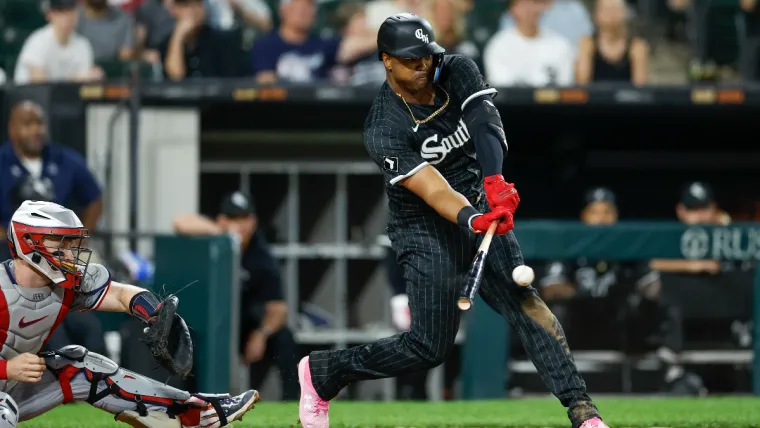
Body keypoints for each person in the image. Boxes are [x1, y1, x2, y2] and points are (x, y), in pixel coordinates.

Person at [295, 13, 608, 428]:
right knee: (429, 347)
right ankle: (323, 372)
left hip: (482, 203)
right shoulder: (383, 127)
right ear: (386, 60)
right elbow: (434, 190)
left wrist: (494, 182)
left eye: (427, 55)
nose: (423, 64)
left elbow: (485, 123)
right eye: (411, 59)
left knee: (527, 305)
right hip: (424, 229)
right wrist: (473, 219)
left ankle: (583, 412)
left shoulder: (456, 68)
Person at [0, 200, 259, 428]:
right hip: (6, 385)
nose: (70, 253)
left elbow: (121, 294)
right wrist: (8, 368)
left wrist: (153, 313)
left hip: (10, 387)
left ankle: (193, 413)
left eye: (72, 243)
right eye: (60, 242)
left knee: (82, 366)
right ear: (28, 242)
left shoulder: (65, 283)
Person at [172, 191, 299, 400]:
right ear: (222, 219)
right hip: (210, 325)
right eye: (232, 219)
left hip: (245, 326)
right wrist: (221, 232)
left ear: (253, 221)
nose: (238, 225)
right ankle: (192, 401)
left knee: (285, 340)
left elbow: (278, 309)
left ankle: (292, 401)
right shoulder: (214, 241)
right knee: (187, 341)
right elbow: (180, 223)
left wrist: (261, 334)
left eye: (244, 219)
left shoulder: (261, 257)